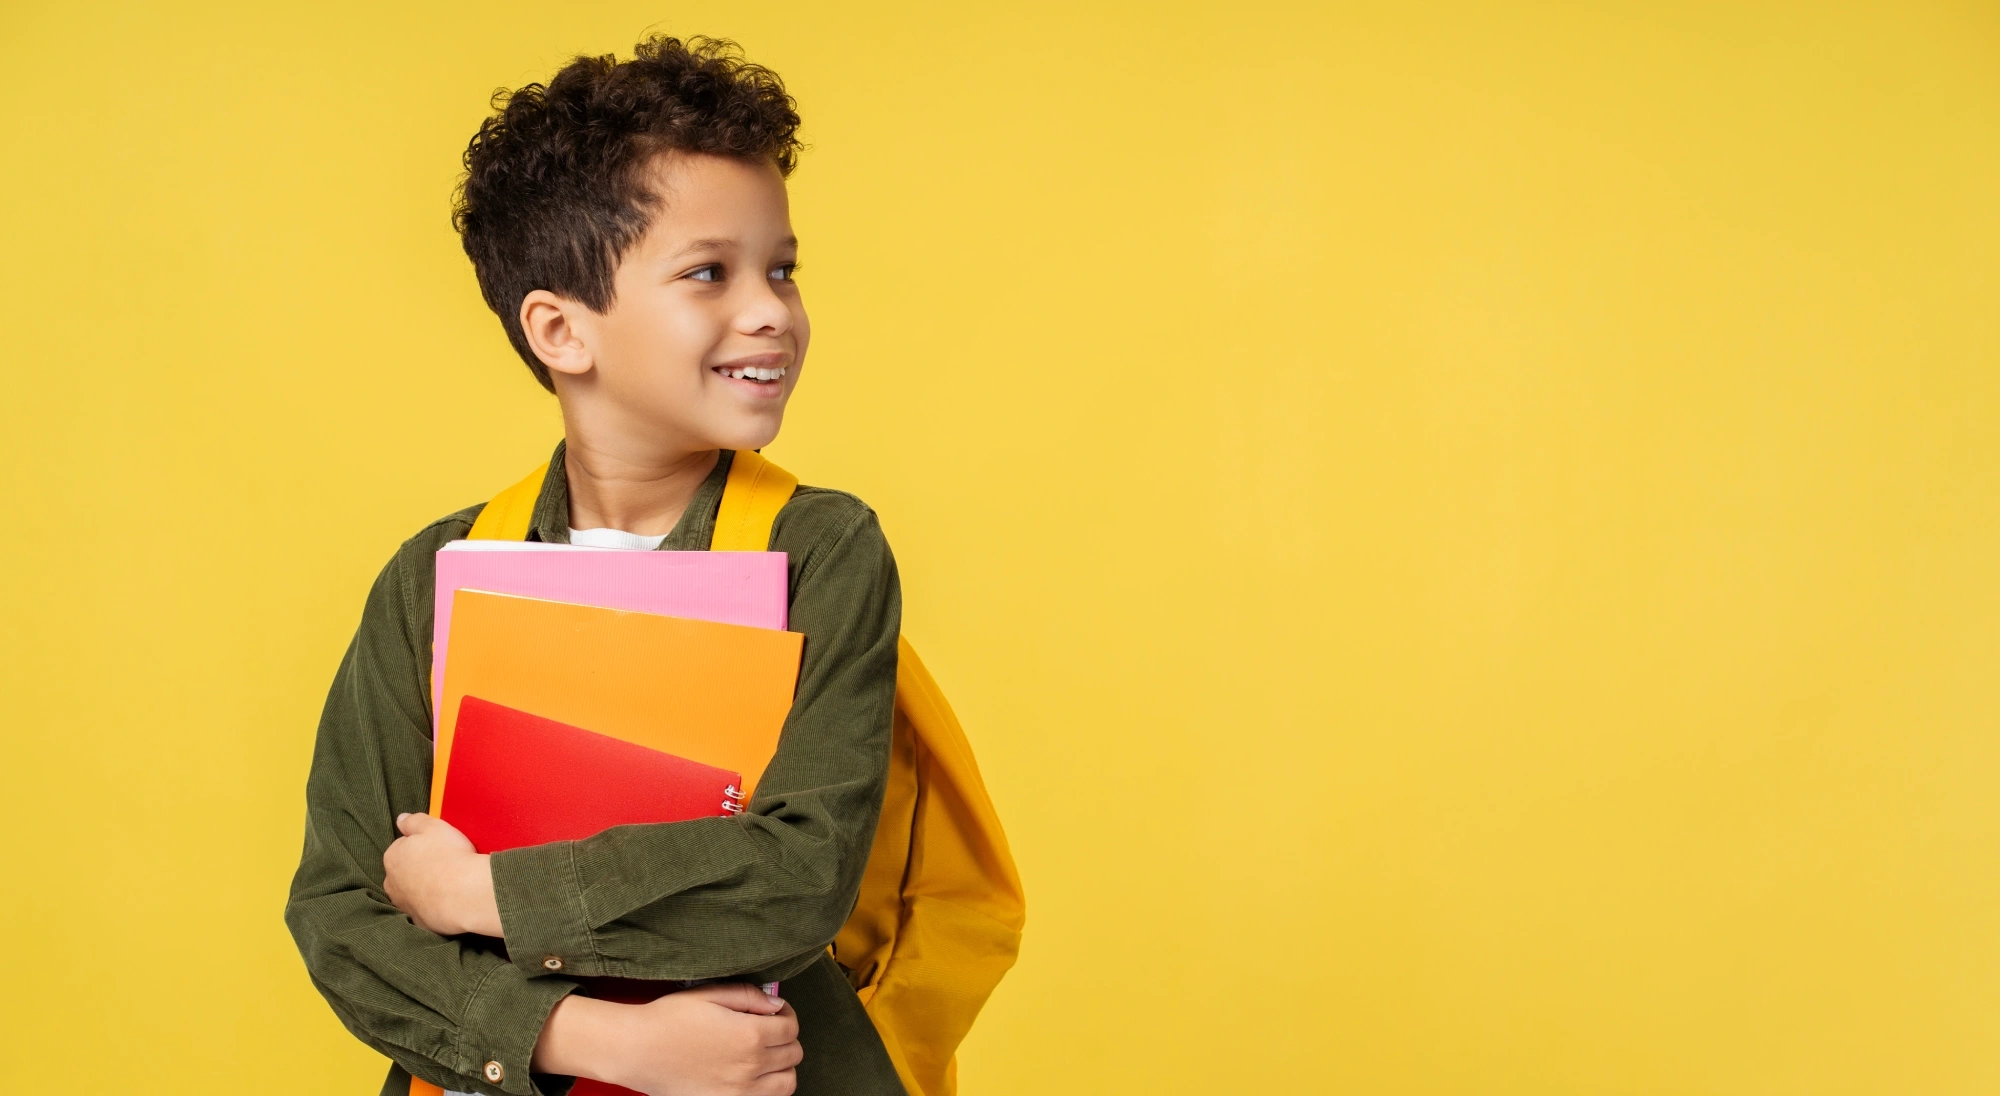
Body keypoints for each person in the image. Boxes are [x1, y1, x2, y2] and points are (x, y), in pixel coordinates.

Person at [286, 36, 905, 1096]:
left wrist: (481, 894)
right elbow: (342, 912)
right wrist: (594, 1040)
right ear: (561, 331)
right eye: (709, 272)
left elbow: (801, 875)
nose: (771, 309)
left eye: (782, 268)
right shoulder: (437, 573)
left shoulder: (820, 550)